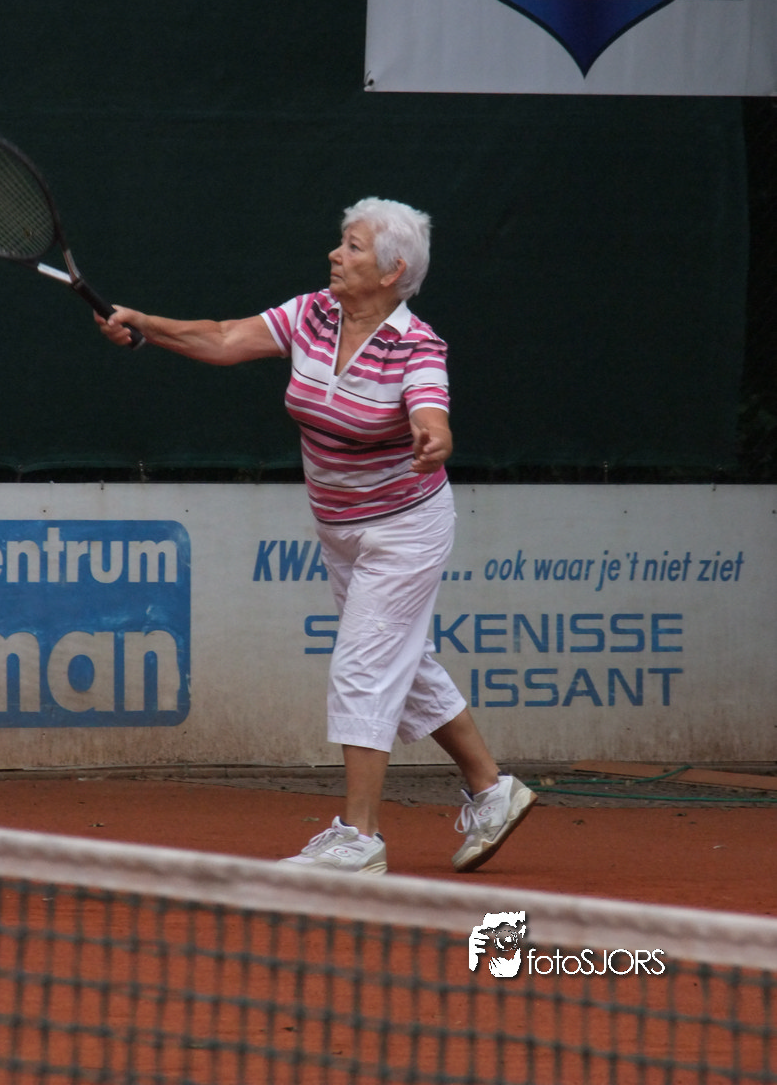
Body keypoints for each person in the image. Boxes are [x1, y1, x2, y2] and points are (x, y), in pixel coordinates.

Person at [96, 197, 536, 874]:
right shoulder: (313, 314)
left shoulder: (417, 346)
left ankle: (359, 837)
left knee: (364, 665)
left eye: (353, 246)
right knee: (402, 660)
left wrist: (435, 437)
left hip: (406, 529)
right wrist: (146, 325)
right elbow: (224, 338)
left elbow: (431, 411)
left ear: (391, 271)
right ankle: (492, 788)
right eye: (342, 242)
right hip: (340, 529)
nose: (335, 253)